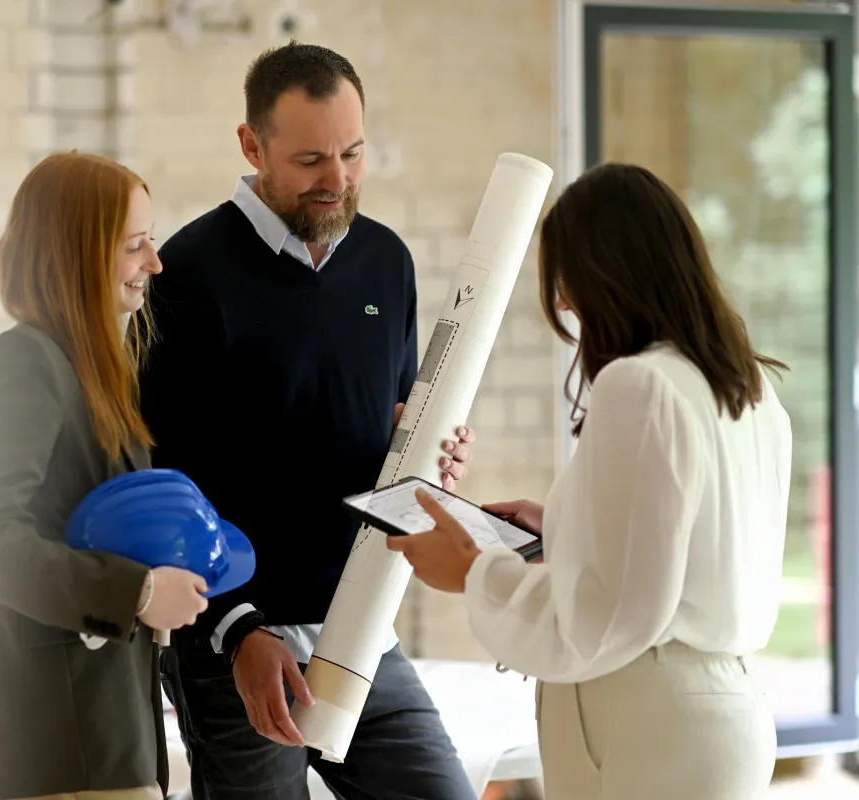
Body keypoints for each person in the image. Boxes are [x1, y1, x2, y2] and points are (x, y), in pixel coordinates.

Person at [139, 42, 479, 800]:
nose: (338, 180)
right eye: (311, 161)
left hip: (360, 629)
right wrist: (238, 630)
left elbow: (387, 434)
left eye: (353, 153)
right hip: (238, 641)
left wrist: (426, 455)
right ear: (251, 146)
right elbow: (167, 482)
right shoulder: (186, 276)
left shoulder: (388, 261)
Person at [388, 162, 791, 800]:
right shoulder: (747, 387)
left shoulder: (640, 385)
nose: (567, 304)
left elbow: (608, 616)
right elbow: (689, 547)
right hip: (718, 712)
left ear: (608, 273)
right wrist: (564, 530)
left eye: (567, 281)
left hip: (652, 727)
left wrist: (473, 569)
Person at [0, 151, 211, 800]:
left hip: (102, 739)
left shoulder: (96, 374)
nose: (156, 263)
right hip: (51, 751)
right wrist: (140, 593)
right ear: (78, 254)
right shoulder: (20, 364)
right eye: (135, 246)